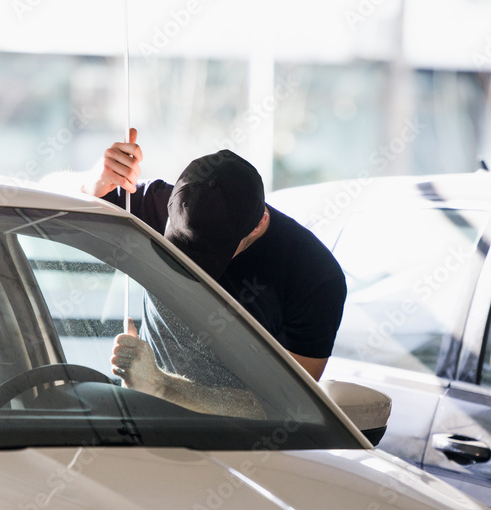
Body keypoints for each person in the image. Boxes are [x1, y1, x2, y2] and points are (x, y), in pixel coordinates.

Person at [79, 129, 346, 402]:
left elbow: (289, 402)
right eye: (178, 246)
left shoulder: (315, 277)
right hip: (140, 415)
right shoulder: (161, 204)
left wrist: (161, 386)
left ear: (258, 225)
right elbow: (48, 194)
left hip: (237, 439)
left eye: (205, 257)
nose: (186, 267)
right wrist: (93, 183)